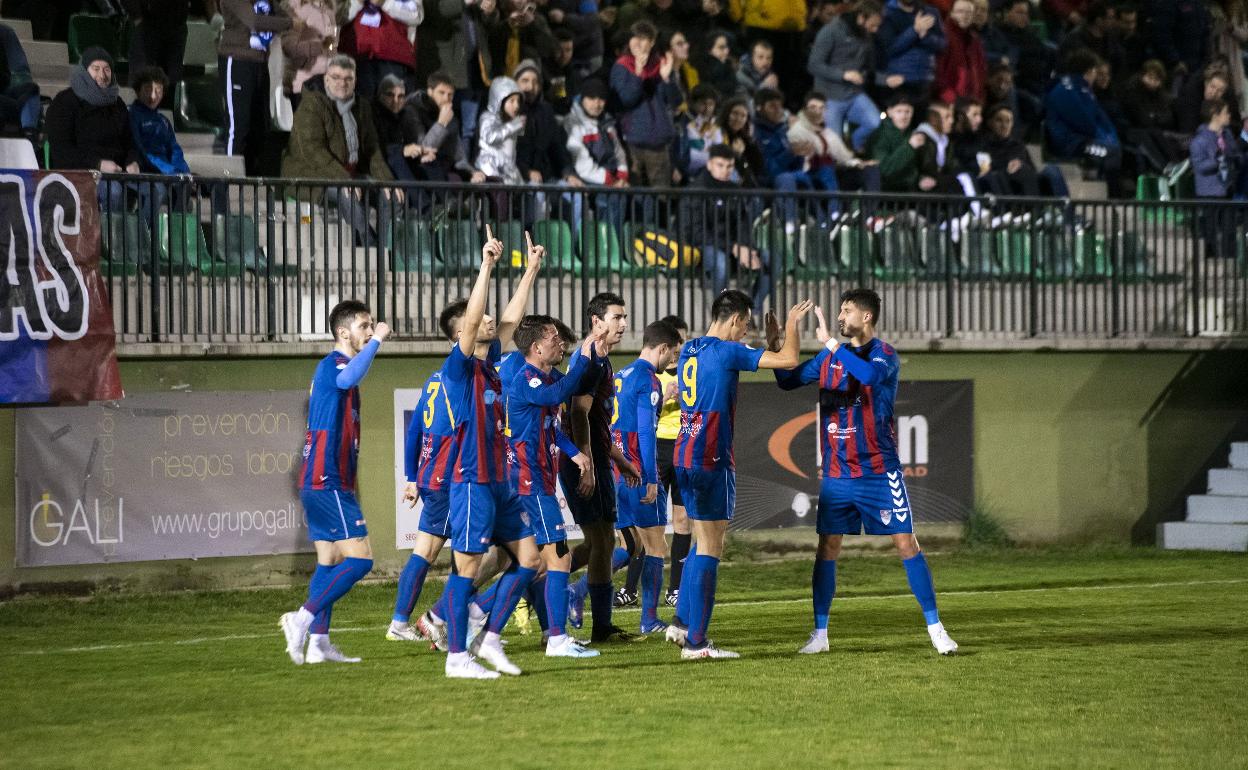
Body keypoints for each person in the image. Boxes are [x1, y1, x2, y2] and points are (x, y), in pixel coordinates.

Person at [775, 290, 958, 656]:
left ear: (867, 317)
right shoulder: (828, 360)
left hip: (879, 472)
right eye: (840, 311)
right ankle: (820, 634)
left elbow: (870, 377)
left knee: (907, 543)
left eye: (847, 311)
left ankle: (936, 629)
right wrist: (778, 342)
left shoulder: (883, 354)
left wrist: (829, 343)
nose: (840, 317)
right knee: (827, 548)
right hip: (838, 475)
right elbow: (787, 381)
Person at [665, 291, 813, 659]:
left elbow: (761, 359)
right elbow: (790, 359)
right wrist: (793, 325)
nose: (746, 332)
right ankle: (697, 644)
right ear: (734, 319)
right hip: (711, 457)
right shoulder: (728, 351)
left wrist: (768, 342)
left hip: (685, 452)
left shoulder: (692, 348)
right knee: (712, 547)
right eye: (746, 325)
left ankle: (682, 624)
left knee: (701, 541)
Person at [437, 227, 548, 678]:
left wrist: (530, 272)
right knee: (465, 572)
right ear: (462, 331)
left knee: (530, 561)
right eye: (477, 319)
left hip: (498, 482)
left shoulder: (491, 361)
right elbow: (480, 319)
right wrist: (486, 265)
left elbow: (508, 320)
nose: (488, 322)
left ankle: (489, 638)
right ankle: (456, 657)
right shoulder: (459, 367)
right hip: (470, 481)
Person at [280, 300, 390, 665]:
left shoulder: (340, 369)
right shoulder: (335, 366)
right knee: (360, 562)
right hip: (326, 478)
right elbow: (348, 377)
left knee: (329, 561)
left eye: (371, 326)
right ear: (343, 332)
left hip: (325, 478)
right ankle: (302, 618)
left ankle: (319, 644)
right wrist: (378, 342)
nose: (370, 331)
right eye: (364, 326)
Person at [503, 306, 604, 658]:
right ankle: (557, 639)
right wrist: (584, 357)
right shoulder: (528, 380)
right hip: (530, 483)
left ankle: (475, 617)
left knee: (532, 563)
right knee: (560, 560)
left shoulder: (545, 378)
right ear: (535, 348)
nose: (558, 340)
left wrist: (575, 453)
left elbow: (552, 427)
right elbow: (555, 396)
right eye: (551, 337)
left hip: (540, 480)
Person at [560, 292, 644, 643]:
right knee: (602, 542)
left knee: (602, 542)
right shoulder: (592, 357)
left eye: (624, 317)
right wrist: (588, 465)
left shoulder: (600, 357)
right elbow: (577, 413)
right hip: (583, 461)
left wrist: (620, 460)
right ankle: (552, 594)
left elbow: (595, 421)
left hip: (591, 457)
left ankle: (596, 623)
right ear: (596, 321)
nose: (623, 324)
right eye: (616, 317)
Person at [610, 320, 682, 632]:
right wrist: (651, 477)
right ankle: (649, 619)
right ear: (663, 348)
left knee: (631, 546)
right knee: (656, 548)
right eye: (673, 354)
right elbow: (645, 432)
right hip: (637, 475)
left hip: (617, 473)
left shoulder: (620, 376)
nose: (672, 361)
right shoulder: (648, 381)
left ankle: (576, 592)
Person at [281, 55, 399, 245]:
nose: (341, 83)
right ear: (326, 79)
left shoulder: (362, 106)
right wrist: (344, 179)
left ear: (355, 81)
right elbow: (313, 151)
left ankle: (386, 250)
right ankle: (369, 247)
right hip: (313, 176)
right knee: (348, 194)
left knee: (391, 195)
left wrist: (387, 181)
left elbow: (372, 150)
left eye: (348, 78)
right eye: (335, 77)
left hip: (350, 175)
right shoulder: (312, 104)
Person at [387, 356, 457, 644]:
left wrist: (411, 477)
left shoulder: (435, 379)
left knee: (432, 553)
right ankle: (437, 622)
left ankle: (402, 622)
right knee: (473, 557)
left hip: (432, 478)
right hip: (447, 481)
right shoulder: (458, 380)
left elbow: (415, 430)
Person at [46, 48, 143, 214]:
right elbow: (61, 151)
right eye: (95, 69)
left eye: (107, 69)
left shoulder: (117, 104)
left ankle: (139, 238)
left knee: (157, 191)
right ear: (84, 71)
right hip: (82, 173)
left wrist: (132, 161)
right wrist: (97, 164)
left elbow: (130, 142)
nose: (102, 75)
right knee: (114, 193)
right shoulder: (65, 102)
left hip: (118, 173)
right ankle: (108, 239)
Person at [218, 0, 292, 176]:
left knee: (260, 126)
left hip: (260, 62)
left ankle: (253, 178)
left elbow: (283, 15)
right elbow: (254, 21)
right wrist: (290, 24)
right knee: (238, 126)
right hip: (236, 60)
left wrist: (286, 21)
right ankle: (230, 178)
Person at [610, 21, 682, 188]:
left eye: (644, 38)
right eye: (635, 37)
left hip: (658, 142)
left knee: (659, 196)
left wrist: (666, 78)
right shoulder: (622, 66)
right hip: (632, 141)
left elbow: (676, 101)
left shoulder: (661, 64)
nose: (638, 42)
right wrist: (638, 73)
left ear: (652, 42)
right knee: (637, 196)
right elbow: (626, 100)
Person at [807, 0, 884, 152]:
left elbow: (866, 67)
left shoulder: (865, 36)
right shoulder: (831, 31)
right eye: (873, 25)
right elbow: (814, 65)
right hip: (830, 96)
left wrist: (882, 79)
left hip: (853, 94)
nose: (875, 30)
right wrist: (843, 75)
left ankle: (854, 146)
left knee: (874, 121)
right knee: (834, 145)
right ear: (861, 18)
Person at [1044, 48, 1122, 195]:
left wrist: (1111, 139)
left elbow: (1102, 120)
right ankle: (1114, 199)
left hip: (1084, 140)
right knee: (1112, 153)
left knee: (1114, 149)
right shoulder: (1065, 90)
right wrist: (1106, 140)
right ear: (1089, 71)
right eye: (1095, 71)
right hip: (1071, 144)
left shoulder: (1084, 89)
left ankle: (1113, 197)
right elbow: (1085, 124)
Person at [654, 315, 690, 606]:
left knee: (682, 518)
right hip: (657, 448)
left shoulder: (691, 372)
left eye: (683, 339)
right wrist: (664, 398)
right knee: (651, 523)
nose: (679, 345)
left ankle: (675, 588)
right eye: (675, 339)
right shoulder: (653, 373)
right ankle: (632, 589)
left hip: (683, 447)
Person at [397, 71, 484, 183]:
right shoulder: (413, 110)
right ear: (430, 92)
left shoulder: (449, 116)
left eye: (450, 94)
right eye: (441, 93)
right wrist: (441, 123)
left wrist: (471, 173)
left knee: (486, 181)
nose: (446, 98)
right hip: (417, 168)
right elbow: (421, 150)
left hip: (443, 167)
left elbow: (458, 156)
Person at [129, 67, 193, 213]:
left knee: (185, 186)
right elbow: (140, 149)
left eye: (158, 90)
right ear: (138, 91)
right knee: (158, 191)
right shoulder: (132, 116)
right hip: (145, 170)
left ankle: (176, 231)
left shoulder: (163, 120)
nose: (153, 95)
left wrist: (182, 171)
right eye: (148, 89)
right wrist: (168, 170)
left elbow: (174, 149)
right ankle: (144, 232)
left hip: (166, 171)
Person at [1190, 98, 1244, 257]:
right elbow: (1200, 166)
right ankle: (1211, 260)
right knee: (1210, 230)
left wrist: (1236, 158)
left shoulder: (1227, 135)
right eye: (1226, 113)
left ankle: (1230, 258)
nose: (1229, 116)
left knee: (1229, 229)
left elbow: (1235, 154)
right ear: (1215, 115)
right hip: (1209, 193)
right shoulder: (1199, 140)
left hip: (1226, 190)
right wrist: (1218, 159)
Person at [875, 0, 946, 112]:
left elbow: (942, 44)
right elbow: (889, 48)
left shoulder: (930, 12)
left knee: (920, 125)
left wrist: (925, 36)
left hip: (924, 80)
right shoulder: (887, 13)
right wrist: (914, 31)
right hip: (898, 81)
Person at [341, 0, 422, 98]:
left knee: (394, 108)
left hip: (395, 58)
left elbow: (417, 15)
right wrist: (357, 3)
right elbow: (334, 17)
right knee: (360, 109)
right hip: (354, 57)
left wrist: (385, 3)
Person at [280, 0, 340, 110]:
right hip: (303, 84)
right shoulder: (296, 9)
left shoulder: (329, 11)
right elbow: (289, 47)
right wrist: (320, 46)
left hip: (327, 84)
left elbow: (332, 45)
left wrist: (331, 48)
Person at [865, 93, 926, 192]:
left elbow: (916, 168)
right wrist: (909, 147)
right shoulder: (880, 136)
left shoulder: (913, 134)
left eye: (907, 112)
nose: (903, 116)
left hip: (910, 194)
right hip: (886, 195)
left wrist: (921, 178)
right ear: (890, 112)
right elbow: (884, 169)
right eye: (899, 111)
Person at [476, 76, 526, 185]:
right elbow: (489, 137)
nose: (516, 106)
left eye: (518, 101)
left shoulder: (512, 122)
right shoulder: (488, 117)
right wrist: (512, 127)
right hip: (490, 166)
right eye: (511, 101)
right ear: (499, 100)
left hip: (509, 168)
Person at [933, 0, 985, 105]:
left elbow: (981, 70)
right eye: (960, 11)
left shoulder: (975, 40)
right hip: (949, 100)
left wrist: (979, 97)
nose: (965, 16)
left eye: (969, 12)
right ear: (951, 13)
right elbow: (937, 69)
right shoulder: (944, 35)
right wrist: (947, 95)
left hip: (971, 100)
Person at [0, 24, 40, 137]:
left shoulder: (4, 32)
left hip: (3, 93)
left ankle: (29, 134)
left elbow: (20, 73)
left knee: (31, 89)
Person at [696, 30, 740, 98]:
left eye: (727, 47)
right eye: (721, 47)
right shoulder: (707, 70)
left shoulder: (728, 66)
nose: (726, 51)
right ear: (710, 50)